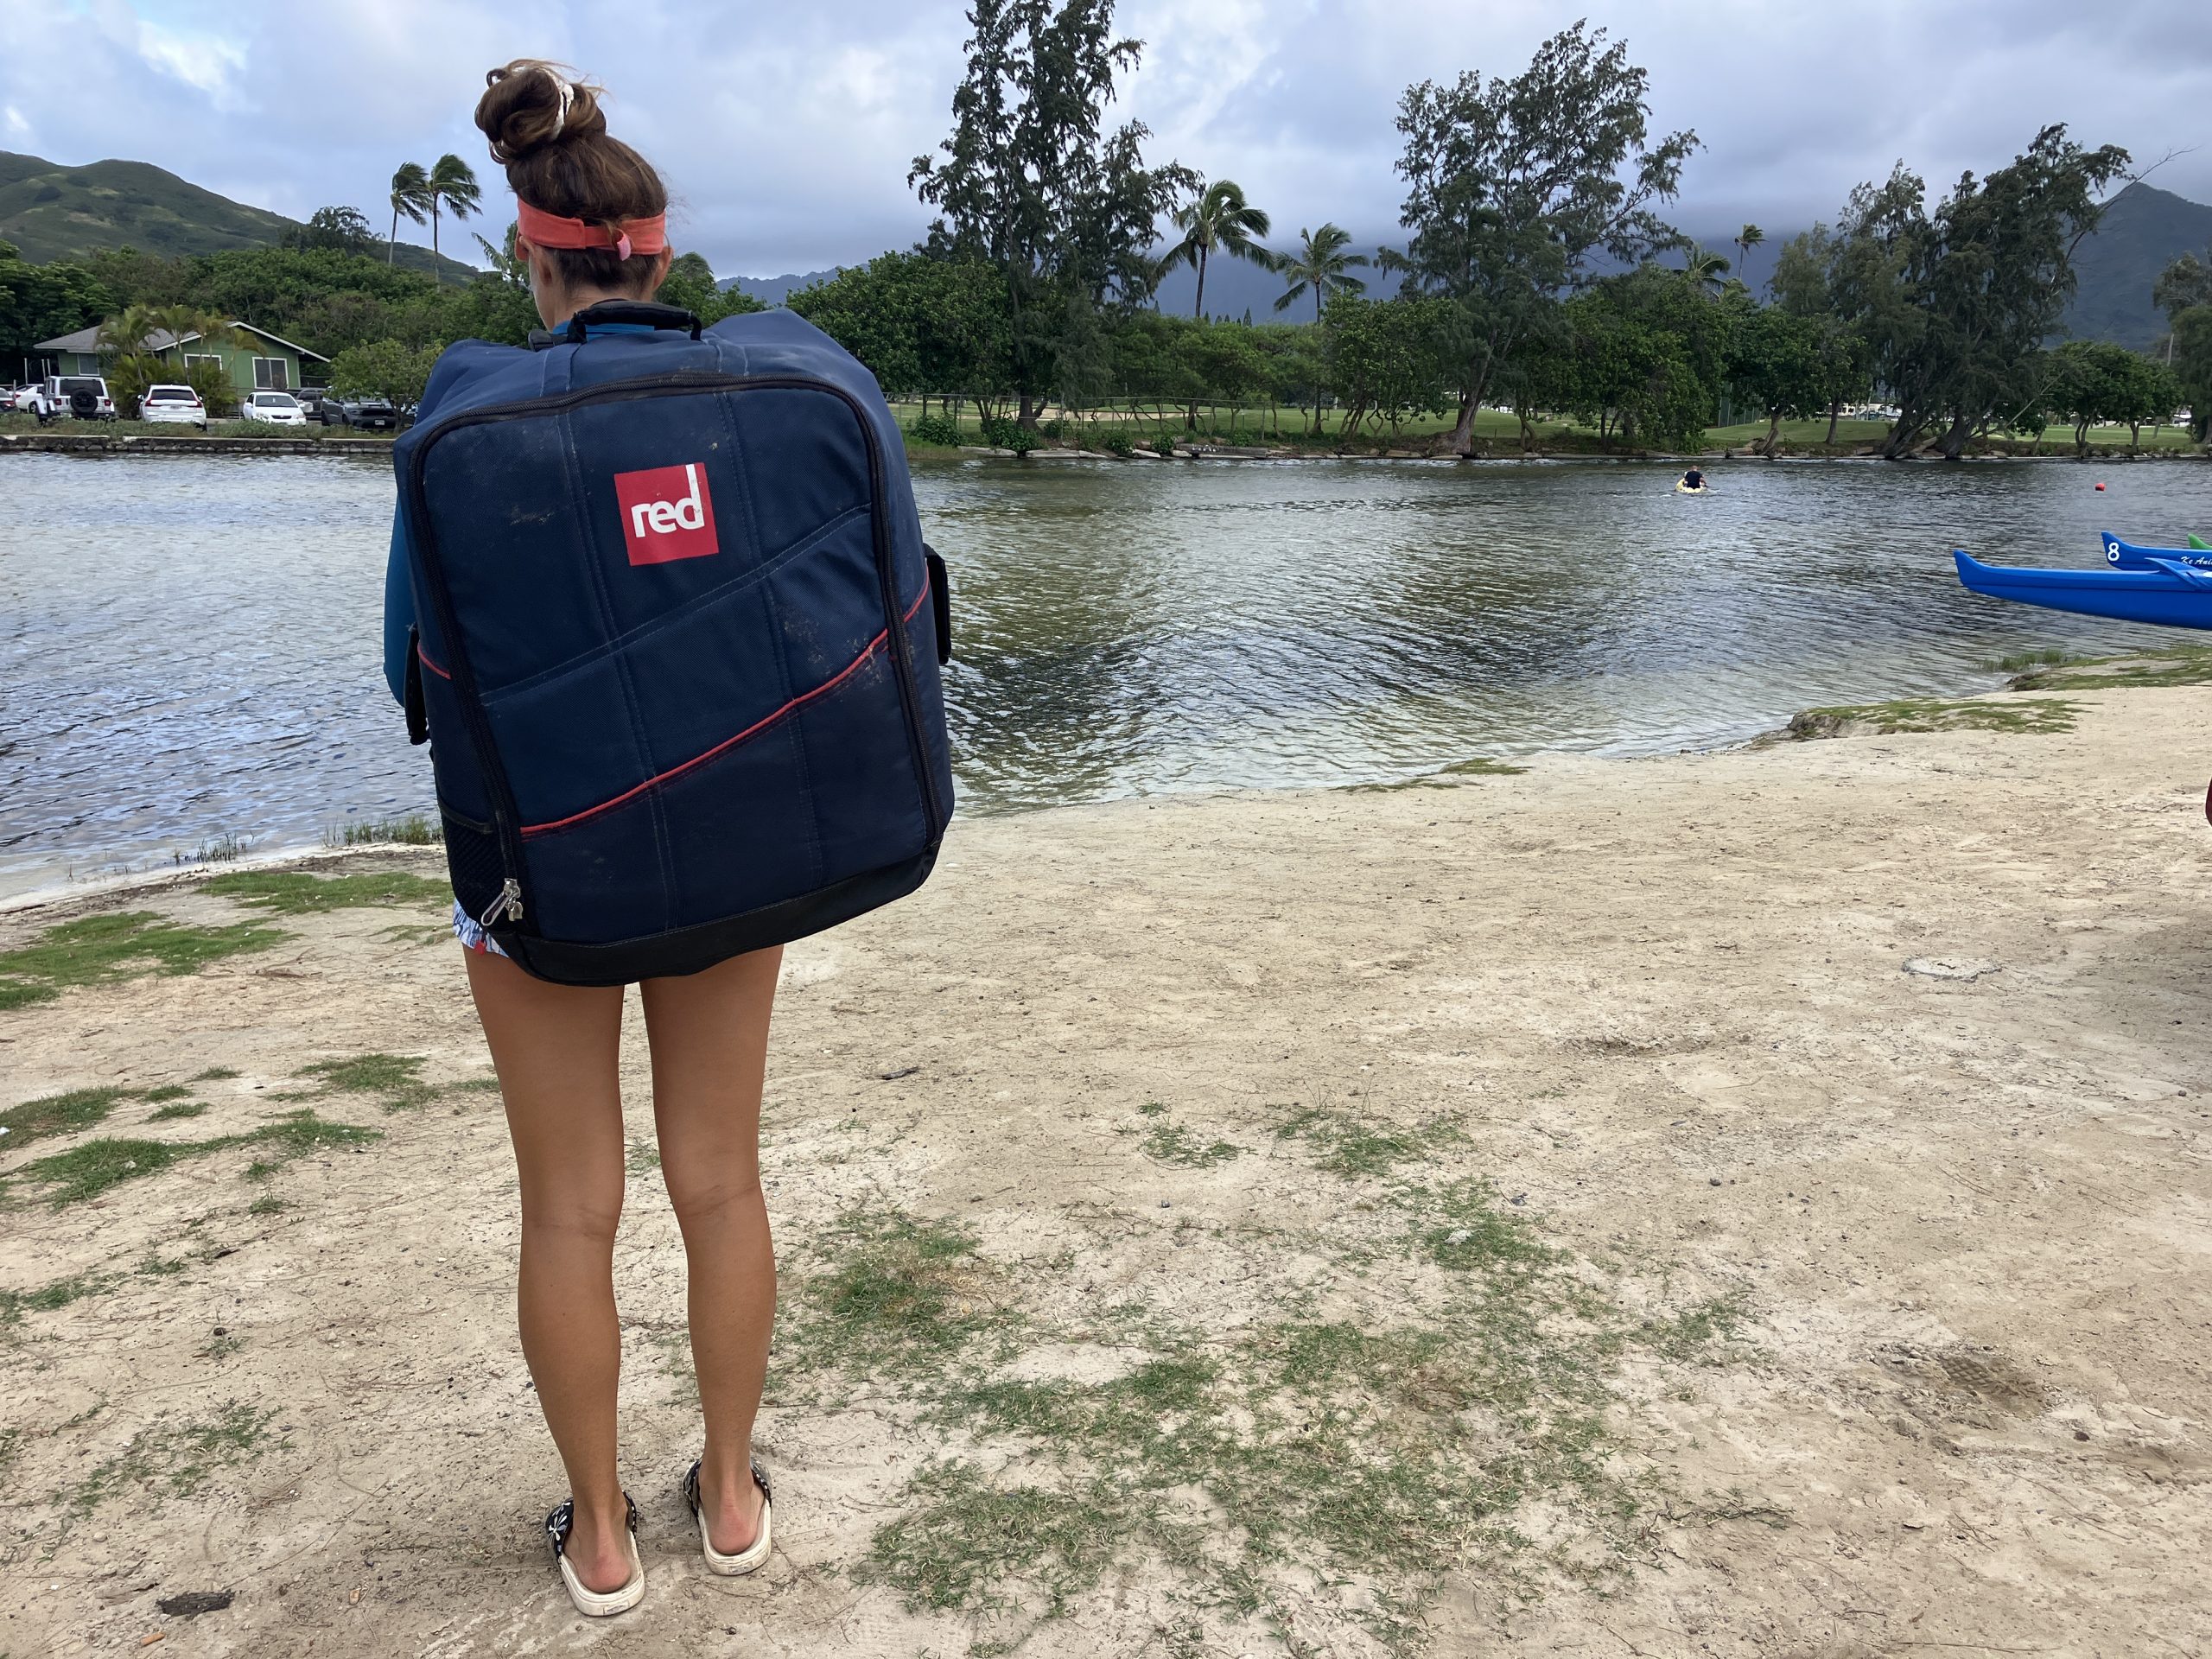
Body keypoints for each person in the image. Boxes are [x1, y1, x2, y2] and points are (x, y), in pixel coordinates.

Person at [383, 61, 783, 1618]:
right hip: (730, 848)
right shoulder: (738, 408)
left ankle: (604, 1541)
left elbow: (414, 667)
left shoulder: (467, 419)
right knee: (721, 1183)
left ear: (530, 263)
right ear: (659, 262)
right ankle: (734, 1504)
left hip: (530, 870)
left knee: (569, 1204)